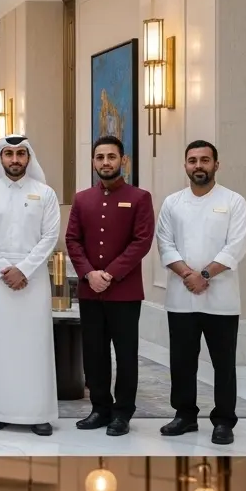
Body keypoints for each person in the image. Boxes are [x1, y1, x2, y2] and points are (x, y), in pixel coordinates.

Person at [156, 140, 246, 445]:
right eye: (193, 160)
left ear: (216, 165)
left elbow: (236, 245)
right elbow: (165, 244)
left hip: (221, 299)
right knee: (182, 361)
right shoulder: (172, 203)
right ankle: (184, 415)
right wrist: (188, 274)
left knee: (223, 363)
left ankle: (224, 420)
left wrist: (205, 274)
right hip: (181, 297)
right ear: (185, 165)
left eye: (205, 160)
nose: (199, 165)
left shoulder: (234, 201)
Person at [65, 135, 155, 437]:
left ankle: (122, 412)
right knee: (94, 353)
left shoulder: (140, 197)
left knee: (126, 354)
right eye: (100, 157)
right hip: (90, 290)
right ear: (93, 162)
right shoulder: (81, 199)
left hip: (125, 292)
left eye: (111, 157)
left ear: (123, 161)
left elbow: (141, 242)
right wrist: (90, 274)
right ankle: (100, 408)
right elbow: (72, 241)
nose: (106, 162)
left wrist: (111, 274)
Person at [0, 136, 60, 435]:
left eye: (21, 153)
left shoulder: (45, 194)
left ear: (29, 158)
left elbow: (50, 237)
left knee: (35, 346)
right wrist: (3, 270)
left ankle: (38, 413)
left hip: (33, 282)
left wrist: (23, 270)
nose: (15, 159)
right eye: (8, 154)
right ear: (0, 159)